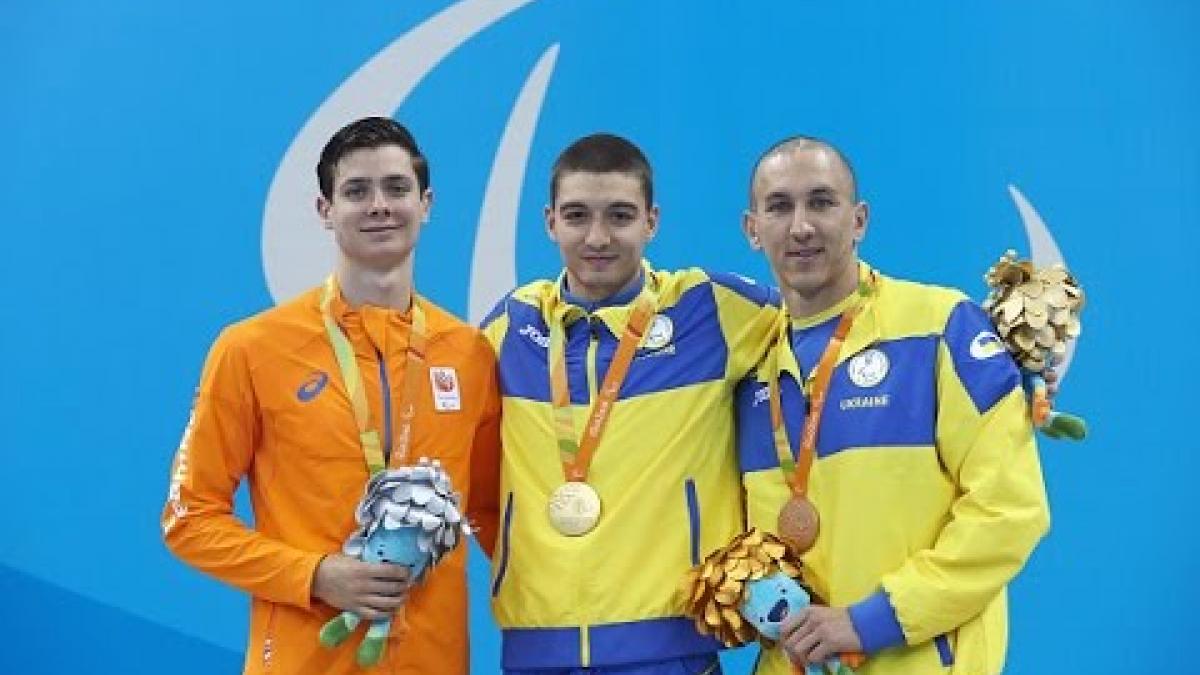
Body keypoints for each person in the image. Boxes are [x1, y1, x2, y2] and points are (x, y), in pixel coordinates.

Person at [161, 116, 501, 674]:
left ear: (427, 203)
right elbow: (189, 517)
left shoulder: (468, 353)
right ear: (325, 210)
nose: (379, 206)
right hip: (305, 659)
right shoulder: (251, 349)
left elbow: (492, 514)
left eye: (396, 188)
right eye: (356, 191)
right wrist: (315, 575)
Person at [735, 137, 1051, 674]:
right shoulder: (746, 364)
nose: (801, 226)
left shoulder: (942, 326)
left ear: (859, 220)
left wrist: (873, 619)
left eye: (821, 202)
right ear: (752, 228)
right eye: (780, 206)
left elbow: (1008, 510)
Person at [479, 133, 780, 674]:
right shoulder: (511, 326)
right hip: (537, 651)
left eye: (620, 216)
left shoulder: (709, 309)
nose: (598, 237)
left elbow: (826, 318)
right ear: (550, 222)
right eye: (577, 216)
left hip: (672, 652)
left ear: (652, 221)